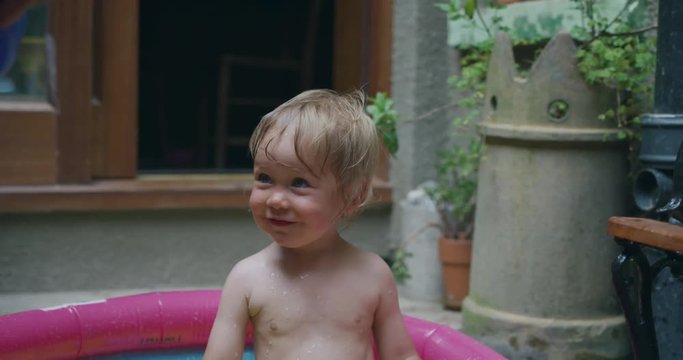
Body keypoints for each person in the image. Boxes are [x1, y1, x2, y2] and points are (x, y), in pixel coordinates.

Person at [204, 89, 420, 360]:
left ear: (351, 196)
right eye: (265, 178)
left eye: (299, 183)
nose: (276, 200)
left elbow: (401, 356)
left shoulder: (373, 275)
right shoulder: (247, 278)